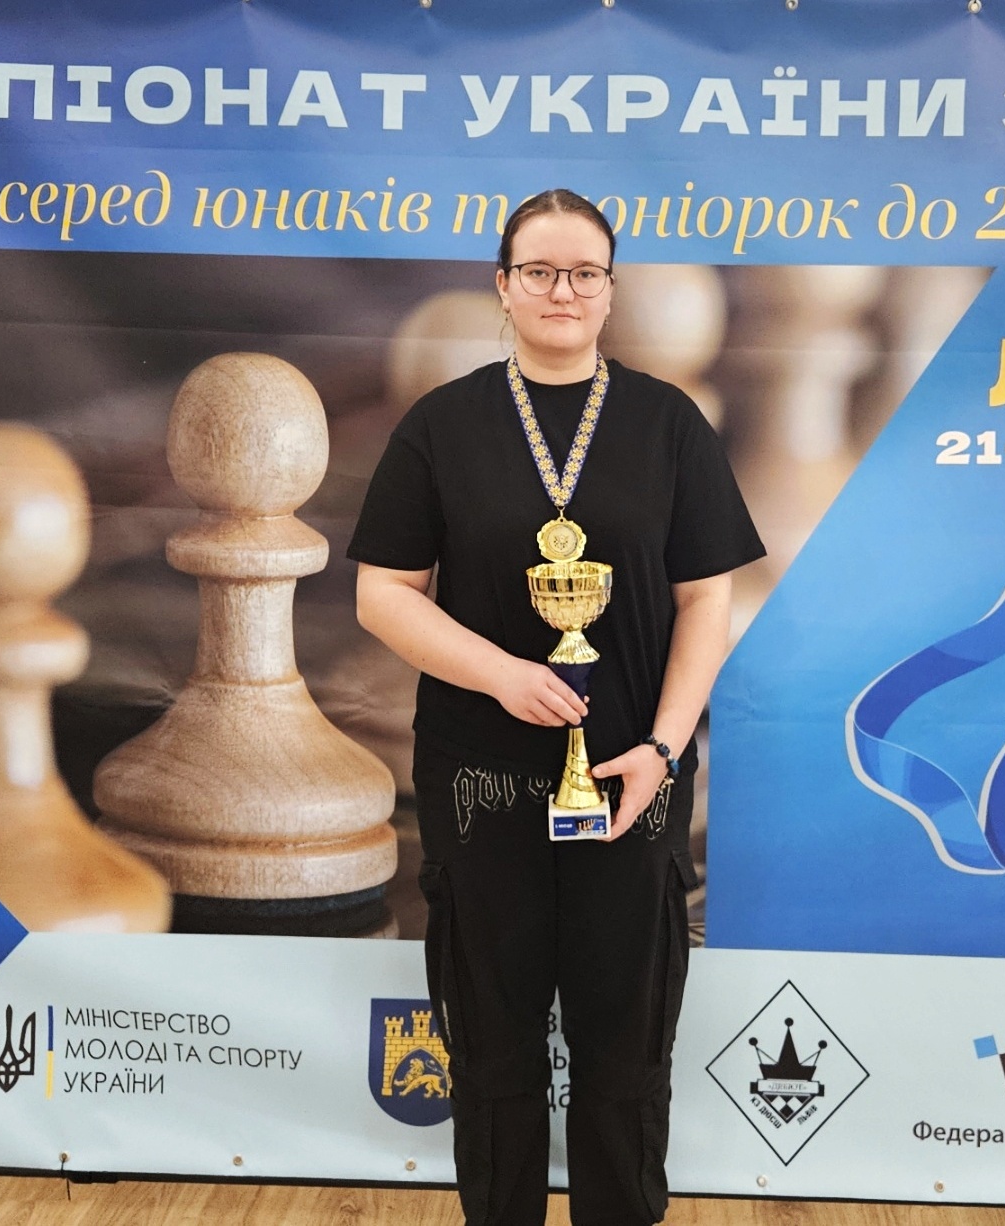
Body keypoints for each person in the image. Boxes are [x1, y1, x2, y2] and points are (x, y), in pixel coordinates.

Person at [348, 188, 764, 1226]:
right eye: (539, 270)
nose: (562, 290)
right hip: (481, 780)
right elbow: (382, 594)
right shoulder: (442, 424)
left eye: (584, 272)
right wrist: (498, 672)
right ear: (503, 286)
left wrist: (662, 747)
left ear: (609, 291)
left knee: (625, 1044)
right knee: (492, 1044)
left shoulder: (668, 423)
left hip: (629, 779)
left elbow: (706, 601)